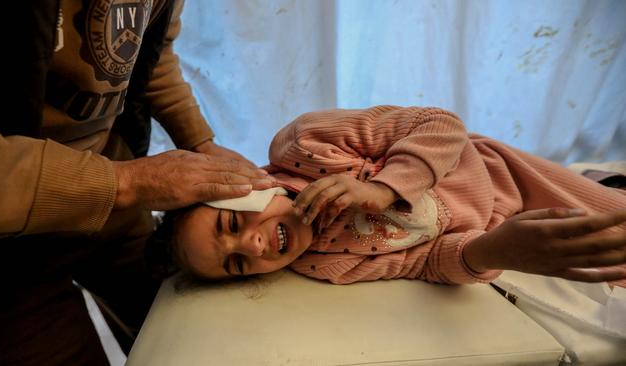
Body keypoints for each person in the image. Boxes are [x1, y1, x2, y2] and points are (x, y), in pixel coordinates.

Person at [0, 0, 275, 365]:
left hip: (112, 189)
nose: (256, 244)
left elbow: (153, 49)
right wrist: (128, 182)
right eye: (229, 223)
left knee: (195, 343)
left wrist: (198, 141)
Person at [160, 105, 626, 288]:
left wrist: (384, 187)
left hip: (508, 178)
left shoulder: (306, 145)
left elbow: (440, 126)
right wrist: (493, 249)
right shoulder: (328, 263)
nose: (252, 245)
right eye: (237, 263)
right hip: (498, 233)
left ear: (243, 189)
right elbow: (423, 263)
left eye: (232, 226)